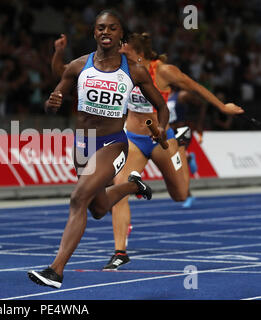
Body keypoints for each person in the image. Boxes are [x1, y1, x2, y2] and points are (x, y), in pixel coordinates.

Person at [27, 10, 170, 289]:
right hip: (83, 144)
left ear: (120, 35)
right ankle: (132, 187)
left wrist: (162, 126)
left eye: (112, 28)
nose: (106, 32)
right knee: (98, 208)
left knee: (78, 199)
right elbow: (53, 98)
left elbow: (162, 107)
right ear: (94, 33)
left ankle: (56, 270)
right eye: (101, 28)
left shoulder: (135, 70)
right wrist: (51, 104)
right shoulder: (79, 66)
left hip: (113, 144)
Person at [104, 33, 244, 270]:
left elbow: (195, 86)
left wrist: (222, 107)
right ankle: (120, 251)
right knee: (118, 189)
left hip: (162, 141)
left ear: (138, 53)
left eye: (124, 49)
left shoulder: (164, 71)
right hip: (134, 138)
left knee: (180, 195)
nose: (118, 52)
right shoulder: (120, 69)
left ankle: (182, 144)